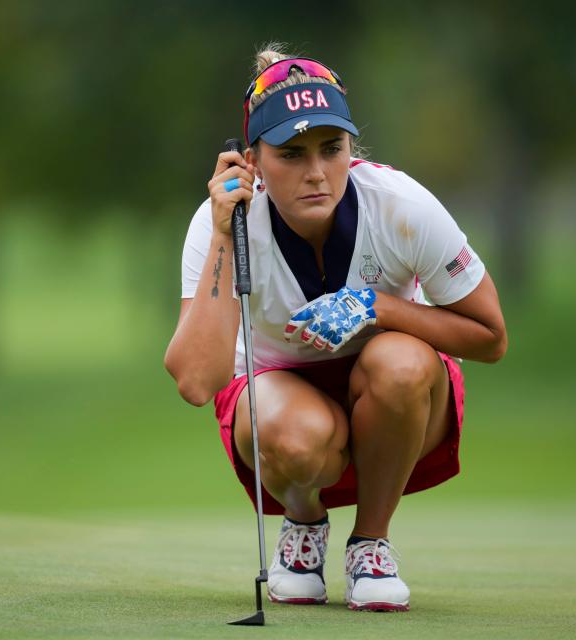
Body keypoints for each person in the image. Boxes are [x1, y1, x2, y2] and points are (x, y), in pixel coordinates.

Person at [164, 45, 507, 612]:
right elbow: (198, 383)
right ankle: (303, 525)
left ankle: (371, 543)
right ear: (252, 160)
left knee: (399, 361)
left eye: (331, 149)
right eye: (291, 153)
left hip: (395, 403)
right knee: (297, 438)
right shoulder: (221, 221)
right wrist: (226, 235)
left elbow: (491, 337)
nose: (317, 172)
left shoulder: (399, 205)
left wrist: (380, 308)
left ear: (352, 146)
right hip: (279, 406)